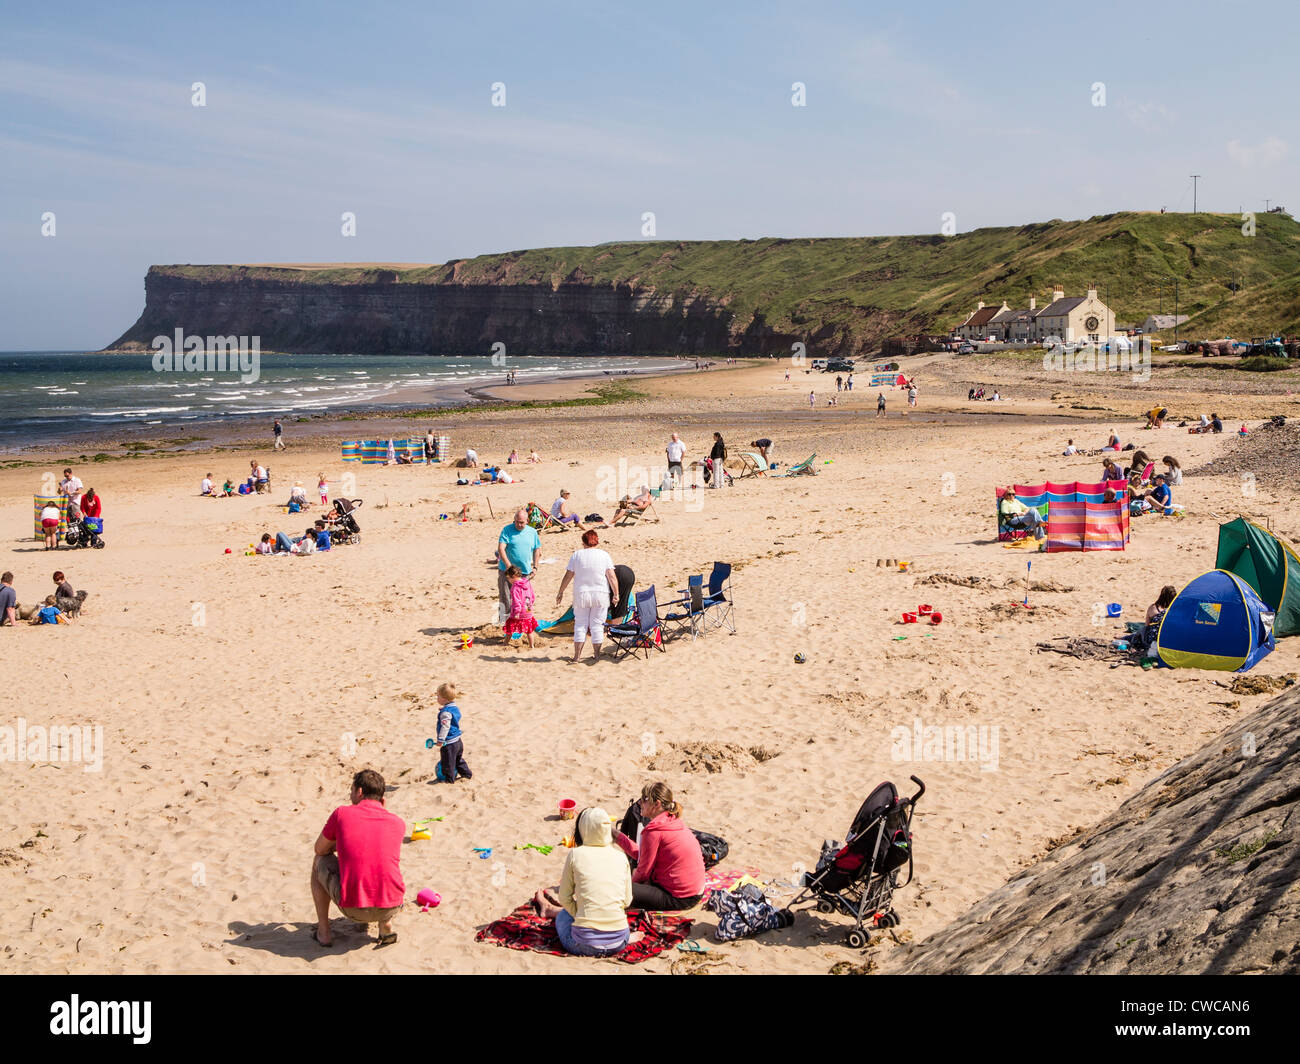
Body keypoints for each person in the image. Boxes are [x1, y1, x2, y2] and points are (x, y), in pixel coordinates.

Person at [311, 769, 405, 947]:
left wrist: (338, 845)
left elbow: (320, 849)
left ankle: (323, 932)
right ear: (382, 800)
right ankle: (385, 924)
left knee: (318, 862)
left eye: (351, 790)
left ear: (359, 792)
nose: (350, 795)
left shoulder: (342, 814)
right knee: (384, 863)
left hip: (355, 909)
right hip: (392, 905)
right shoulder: (398, 822)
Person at [533, 807, 632, 957]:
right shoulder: (621, 856)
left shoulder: (576, 854)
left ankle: (550, 910)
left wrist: (579, 915)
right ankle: (621, 937)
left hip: (584, 945)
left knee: (564, 915)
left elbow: (564, 898)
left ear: (582, 829)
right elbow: (627, 900)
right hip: (620, 941)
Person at [613, 782, 706, 911]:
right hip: (696, 892)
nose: (640, 803)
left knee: (618, 888)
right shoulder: (672, 821)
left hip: (680, 898)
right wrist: (617, 836)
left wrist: (632, 884)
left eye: (644, 799)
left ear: (656, 804)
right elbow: (643, 854)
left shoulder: (654, 831)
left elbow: (643, 872)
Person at [556, 529, 618, 663]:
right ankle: (596, 655)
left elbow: (568, 576)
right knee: (597, 625)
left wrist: (561, 592)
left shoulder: (577, 555)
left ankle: (577, 657)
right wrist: (616, 594)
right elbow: (612, 576)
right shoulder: (604, 555)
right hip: (600, 593)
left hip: (581, 594)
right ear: (596, 541)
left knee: (580, 625)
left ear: (583, 542)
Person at [497, 509, 541, 625]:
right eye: (516, 522)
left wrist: (535, 567)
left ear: (527, 521)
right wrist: (508, 566)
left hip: (524, 573)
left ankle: (521, 622)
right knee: (505, 598)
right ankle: (504, 624)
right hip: (507, 571)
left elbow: (537, 549)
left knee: (524, 599)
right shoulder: (507, 530)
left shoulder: (532, 532)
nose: (518, 525)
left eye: (521, 522)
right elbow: (501, 548)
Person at [432, 682, 472, 782]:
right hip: (458, 741)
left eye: (438, 696)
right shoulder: (453, 707)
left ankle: (449, 780)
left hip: (449, 743)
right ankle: (467, 774)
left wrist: (440, 739)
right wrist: (444, 709)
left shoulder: (446, 713)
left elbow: (445, 727)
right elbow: (452, 714)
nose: (437, 698)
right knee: (458, 760)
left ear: (444, 699)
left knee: (448, 763)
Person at [503, 565, 538, 648]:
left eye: (509, 578)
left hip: (519, 612)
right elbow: (532, 596)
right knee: (529, 630)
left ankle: (505, 643)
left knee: (510, 628)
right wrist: (530, 605)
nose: (508, 580)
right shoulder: (527, 583)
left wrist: (517, 612)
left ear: (514, 576)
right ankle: (531, 645)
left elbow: (516, 601)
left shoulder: (515, 587)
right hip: (528, 609)